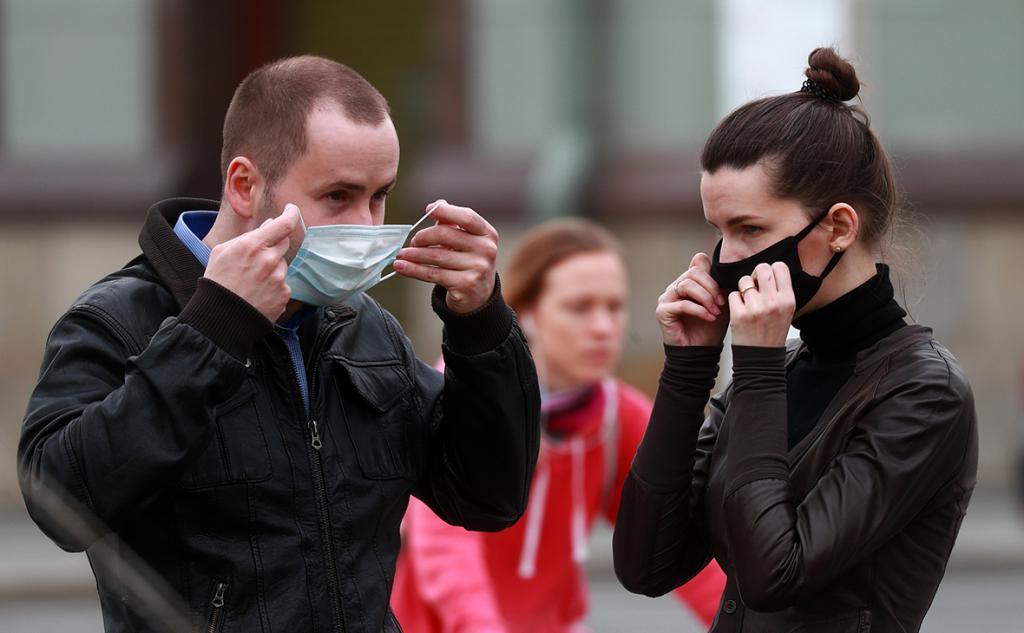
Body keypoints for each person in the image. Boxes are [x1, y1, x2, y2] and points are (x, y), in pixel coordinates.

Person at [18, 55, 540, 633]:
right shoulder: (117, 319)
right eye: (338, 196)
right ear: (245, 185)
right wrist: (214, 329)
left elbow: (487, 497)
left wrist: (481, 324)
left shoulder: (363, 326)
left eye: (380, 195)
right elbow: (58, 504)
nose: (367, 227)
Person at [613, 48, 978, 633]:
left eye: (750, 229)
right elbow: (644, 566)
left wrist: (755, 367)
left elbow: (772, 576)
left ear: (837, 227)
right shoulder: (777, 371)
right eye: (719, 230)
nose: (725, 260)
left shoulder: (925, 392)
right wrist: (688, 372)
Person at [390, 219, 726, 633]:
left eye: (614, 307)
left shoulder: (618, 416)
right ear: (527, 315)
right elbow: (445, 552)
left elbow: (675, 543)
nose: (604, 328)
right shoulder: (461, 396)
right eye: (580, 307)